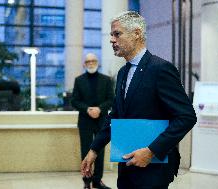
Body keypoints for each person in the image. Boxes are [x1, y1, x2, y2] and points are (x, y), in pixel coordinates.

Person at [81, 11, 197, 189]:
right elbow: (116, 115)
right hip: (126, 164)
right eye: (111, 35)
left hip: (153, 168)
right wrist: (94, 149)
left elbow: (186, 117)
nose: (111, 39)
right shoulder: (122, 73)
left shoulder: (160, 69)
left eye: (117, 34)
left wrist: (151, 151)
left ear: (136, 33)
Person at [71, 53, 114, 189]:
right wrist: (88, 109)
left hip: (101, 121)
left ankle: (97, 181)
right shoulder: (79, 80)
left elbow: (111, 99)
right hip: (85, 121)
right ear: (84, 64)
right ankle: (86, 181)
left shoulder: (107, 80)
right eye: (88, 61)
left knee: (100, 151)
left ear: (98, 63)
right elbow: (74, 101)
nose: (90, 63)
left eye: (93, 61)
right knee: (85, 151)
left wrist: (100, 109)